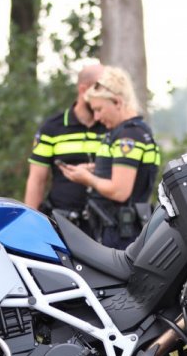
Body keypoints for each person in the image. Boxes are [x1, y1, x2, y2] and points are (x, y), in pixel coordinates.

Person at [59, 66, 161, 249]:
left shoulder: (129, 137)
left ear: (117, 102)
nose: (97, 117)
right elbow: (123, 169)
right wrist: (94, 169)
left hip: (121, 234)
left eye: (99, 109)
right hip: (115, 229)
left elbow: (120, 191)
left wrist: (87, 179)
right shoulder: (127, 132)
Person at [24, 63, 106, 231]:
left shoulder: (113, 126)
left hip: (104, 225)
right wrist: (29, 225)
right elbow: (37, 180)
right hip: (63, 223)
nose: (106, 95)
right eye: (101, 89)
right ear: (83, 90)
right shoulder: (52, 128)